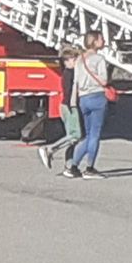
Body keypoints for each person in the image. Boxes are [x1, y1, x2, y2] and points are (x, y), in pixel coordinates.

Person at [64, 30, 111, 180]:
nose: (104, 41)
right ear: (95, 42)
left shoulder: (79, 59)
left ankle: (73, 166)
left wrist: (73, 102)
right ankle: (89, 168)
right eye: (101, 39)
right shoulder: (99, 59)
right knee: (95, 134)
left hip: (83, 98)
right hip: (97, 96)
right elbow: (104, 81)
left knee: (88, 135)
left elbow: (76, 82)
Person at [37, 45, 85, 173]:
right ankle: (50, 149)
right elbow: (69, 92)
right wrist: (73, 106)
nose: (76, 62)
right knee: (75, 135)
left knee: (73, 139)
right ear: (66, 61)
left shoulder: (71, 73)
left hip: (68, 106)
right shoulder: (69, 74)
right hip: (69, 106)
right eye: (74, 59)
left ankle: (69, 166)